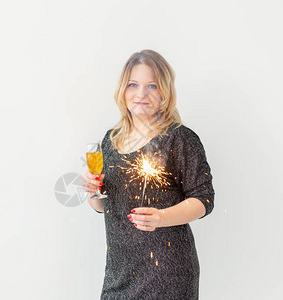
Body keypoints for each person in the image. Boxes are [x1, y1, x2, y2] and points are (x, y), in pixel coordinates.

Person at [83, 49, 215, 300]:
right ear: (123, 89)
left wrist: (161, 217)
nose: (141, 94)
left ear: (165, 92)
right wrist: (92, 191)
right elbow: (101, 206)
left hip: (166, 274)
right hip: (118, 273)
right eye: (133, 84)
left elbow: (204, 200)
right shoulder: (110, 141)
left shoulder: (180, 138)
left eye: (152, 86)